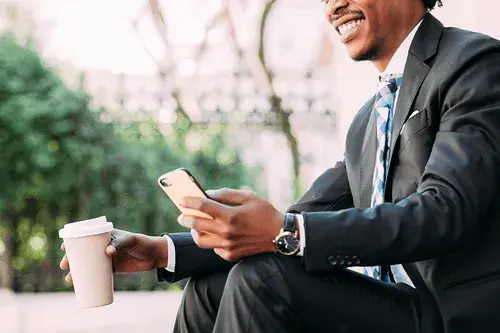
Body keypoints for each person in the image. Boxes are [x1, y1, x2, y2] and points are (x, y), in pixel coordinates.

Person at [61, 0, 500, 332]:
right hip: (391, 308)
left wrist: (283, 233)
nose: (332, 5)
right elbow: (303, 216)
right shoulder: (369, 119)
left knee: (264, 277)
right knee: (211, 288)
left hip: (448, 315)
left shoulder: (474, 62)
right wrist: (162, 251)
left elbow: (446, 210)